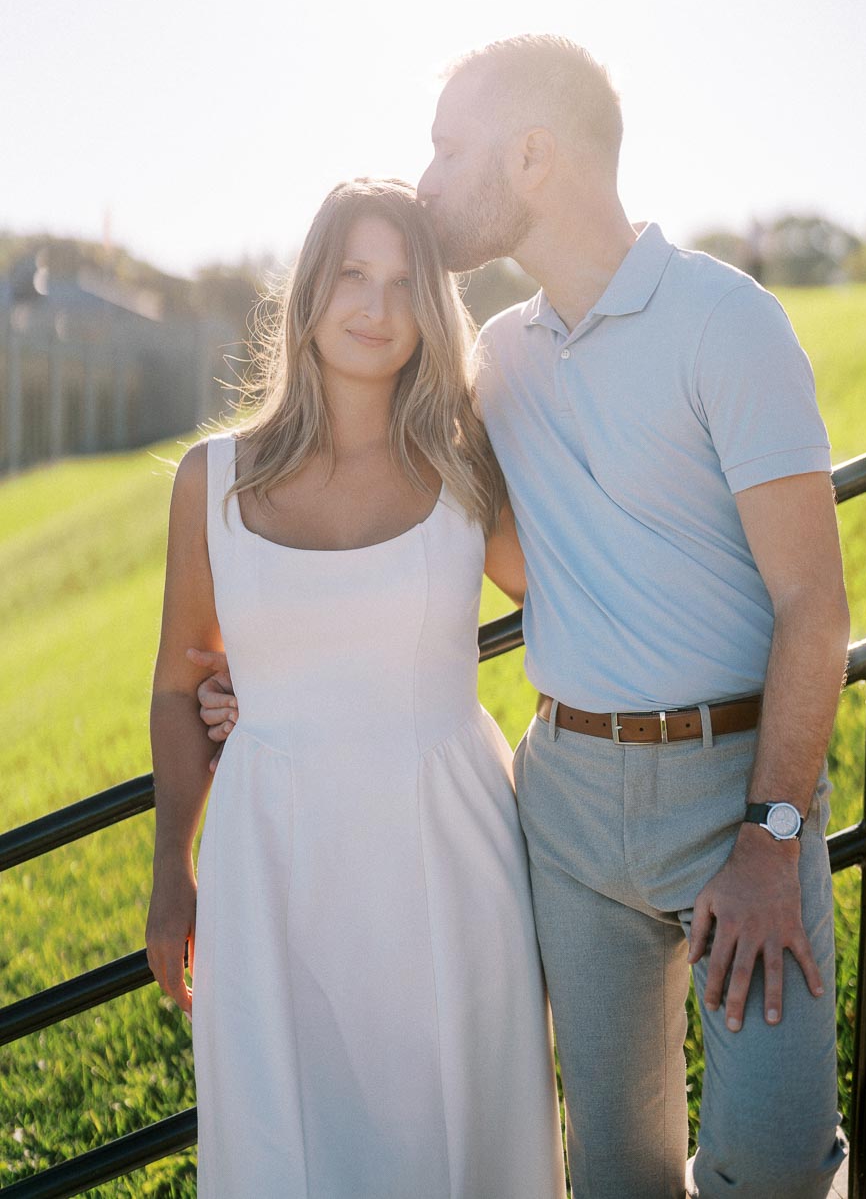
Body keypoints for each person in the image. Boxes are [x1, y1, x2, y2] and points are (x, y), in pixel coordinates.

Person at [197, 38, 851, 1197]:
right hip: (567, 804)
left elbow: (814, 601)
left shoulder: (724, 320)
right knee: (612, 1173)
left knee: (776, 1166)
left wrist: (773, 834)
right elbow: (464, 556)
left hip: (738, 790)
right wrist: (303, 675)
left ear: (532, 155)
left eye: (451, 148)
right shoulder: (496, 361)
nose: (430, 178)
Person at [145, 177, 566, 1199]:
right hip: (272, 854)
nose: (375, 309)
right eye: (351, 277)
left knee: (461, 1125)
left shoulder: (468, 461)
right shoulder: (213, 479)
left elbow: (569, 594)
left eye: (401, 284)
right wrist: (171, 865)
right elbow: (176, 681)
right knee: (294, 1133)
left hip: (451, 848)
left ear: (433, 310)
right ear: (309, 295)